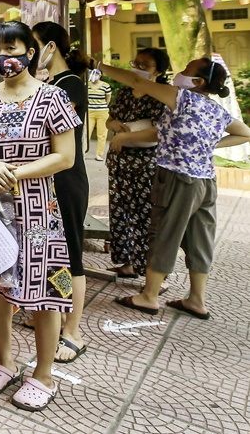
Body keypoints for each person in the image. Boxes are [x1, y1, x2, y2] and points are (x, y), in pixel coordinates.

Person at [0, 21, 79, 412]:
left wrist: (12, 172)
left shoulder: (53, 97)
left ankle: (43, 374)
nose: (1, 58)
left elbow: (65, 157)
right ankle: (5, 360)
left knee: (44, 293)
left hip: (37, 210)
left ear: (29, 53)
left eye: (9, 49)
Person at [93, 56, 250, 319]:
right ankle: (196, 300)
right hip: (206, 182)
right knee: (200, 239)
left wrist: (97, 65)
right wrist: (210, 146)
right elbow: (244, 132)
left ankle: (149, 296)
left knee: (163, 234)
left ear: (198, 81)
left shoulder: (182, 97)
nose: (180, 72)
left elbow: (134, 80)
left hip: (177, 178)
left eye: (187, 70)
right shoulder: (214, 109)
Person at [32, 21, 90, 364]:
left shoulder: (69, 86)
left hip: (66, 181)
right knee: (55, 253)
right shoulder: (53, 82)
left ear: (49, 47)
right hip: (49, 179)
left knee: (71, 256)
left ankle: (73, 332)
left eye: (32, 44)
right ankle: (55, 314)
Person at [104, 48, 170, 279]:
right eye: (136, 63)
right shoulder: (124, 93)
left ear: (159, 72)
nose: (137, 69)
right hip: (119, 161)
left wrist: (126, 136)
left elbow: (159, 132)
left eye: (145, 66)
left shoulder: (163, 96)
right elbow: (110, 119)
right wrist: (114, 127)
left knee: (144, 216)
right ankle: (127, 263)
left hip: (145, 165)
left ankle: (149, 271)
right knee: (120, 212)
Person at [87, 72, 113, 160]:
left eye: (96, 74)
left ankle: (99, 154)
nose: (93, 75)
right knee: (87, 132)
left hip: (102, 111)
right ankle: (83, 151)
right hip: (90, 111)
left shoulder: (105, 85)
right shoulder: (87, 85)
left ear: (100, 75)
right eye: (91, 73)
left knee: (102, 133)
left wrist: (105, 105)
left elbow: (108, 97)